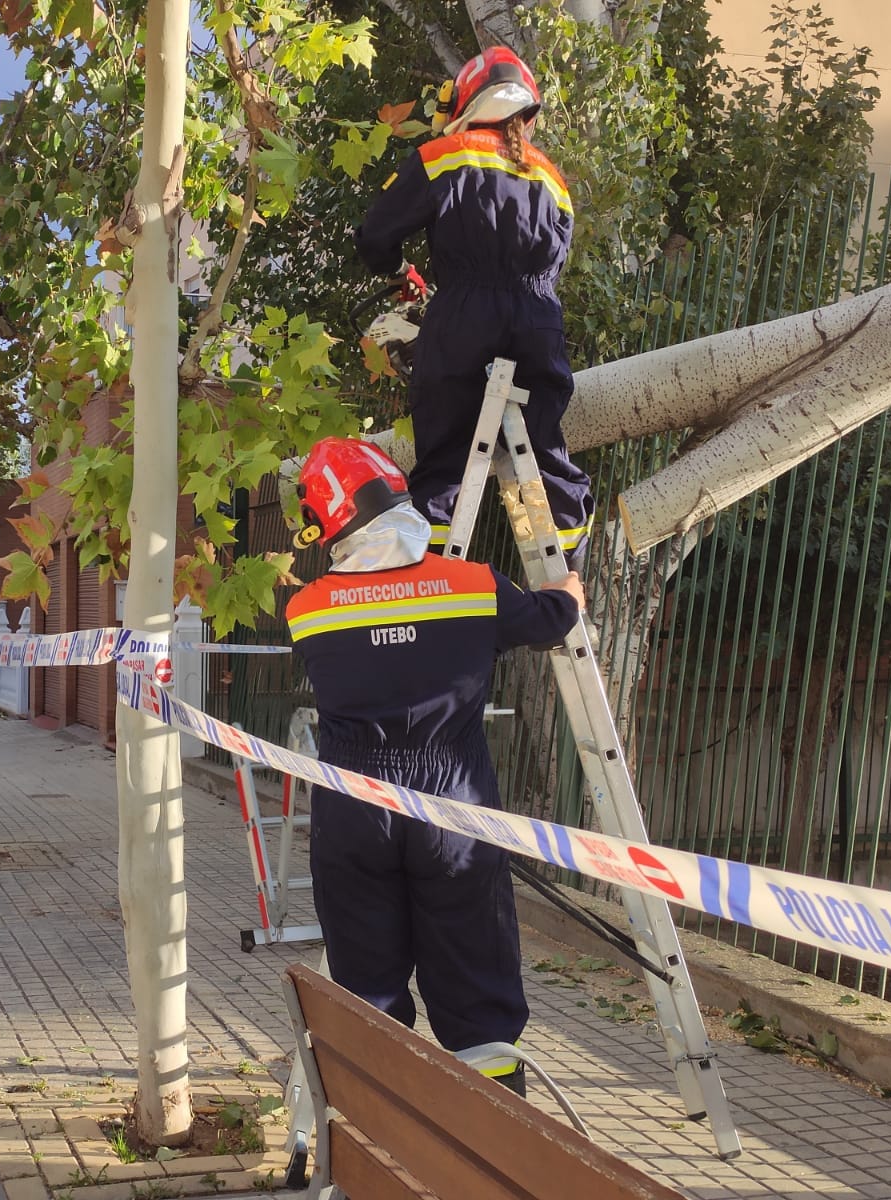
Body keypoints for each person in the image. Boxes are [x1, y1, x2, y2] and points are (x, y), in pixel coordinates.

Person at [285, 436, 584, 1096]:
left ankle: (379, 1127)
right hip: (453, 801)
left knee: (366, 980)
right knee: (475, 981)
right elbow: (549, 621)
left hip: (353, 801)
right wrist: (570, 590)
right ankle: (493, 1137)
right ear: (396, 493)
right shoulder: (474, 587)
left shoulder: (306, 611)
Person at [354, 47, 594, 573]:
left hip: (464, 318)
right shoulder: (553, 179)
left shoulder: (444, 154)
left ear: (466, 103)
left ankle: (431, 573)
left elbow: (376, 236)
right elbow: (554, 261)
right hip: (539, 321)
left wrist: (400, 272)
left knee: (445, 457)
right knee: (543, 460)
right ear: (525, 114)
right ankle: (564, 577)